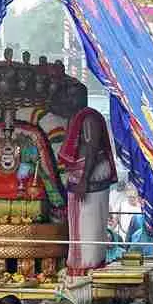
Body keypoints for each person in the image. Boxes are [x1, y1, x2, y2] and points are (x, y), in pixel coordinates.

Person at [55, 82, 118, 272]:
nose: (68, 100)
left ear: (81, 98)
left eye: (72, 96)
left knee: (88, 230)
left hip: (90, 179)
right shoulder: (77, 118)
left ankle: (88, 270)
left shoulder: (89, 118)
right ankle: (78, 269)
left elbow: (91, 149)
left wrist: (84, 180)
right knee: (79, 230)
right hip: (81, 178)